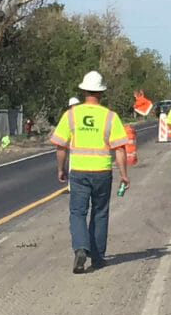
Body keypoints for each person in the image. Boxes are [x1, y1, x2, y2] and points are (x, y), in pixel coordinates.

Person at [51, 71, 135, 273]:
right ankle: (97, 258)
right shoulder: (110, 117)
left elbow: (61, 146)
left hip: (79, 171)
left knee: (78, 212)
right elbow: (120, 149)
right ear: (101, 93)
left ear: (83, 91)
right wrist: (124, 174)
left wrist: (60, 169)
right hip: (102, 172)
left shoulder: (71, 115)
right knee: (100, 213)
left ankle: (80, 247)